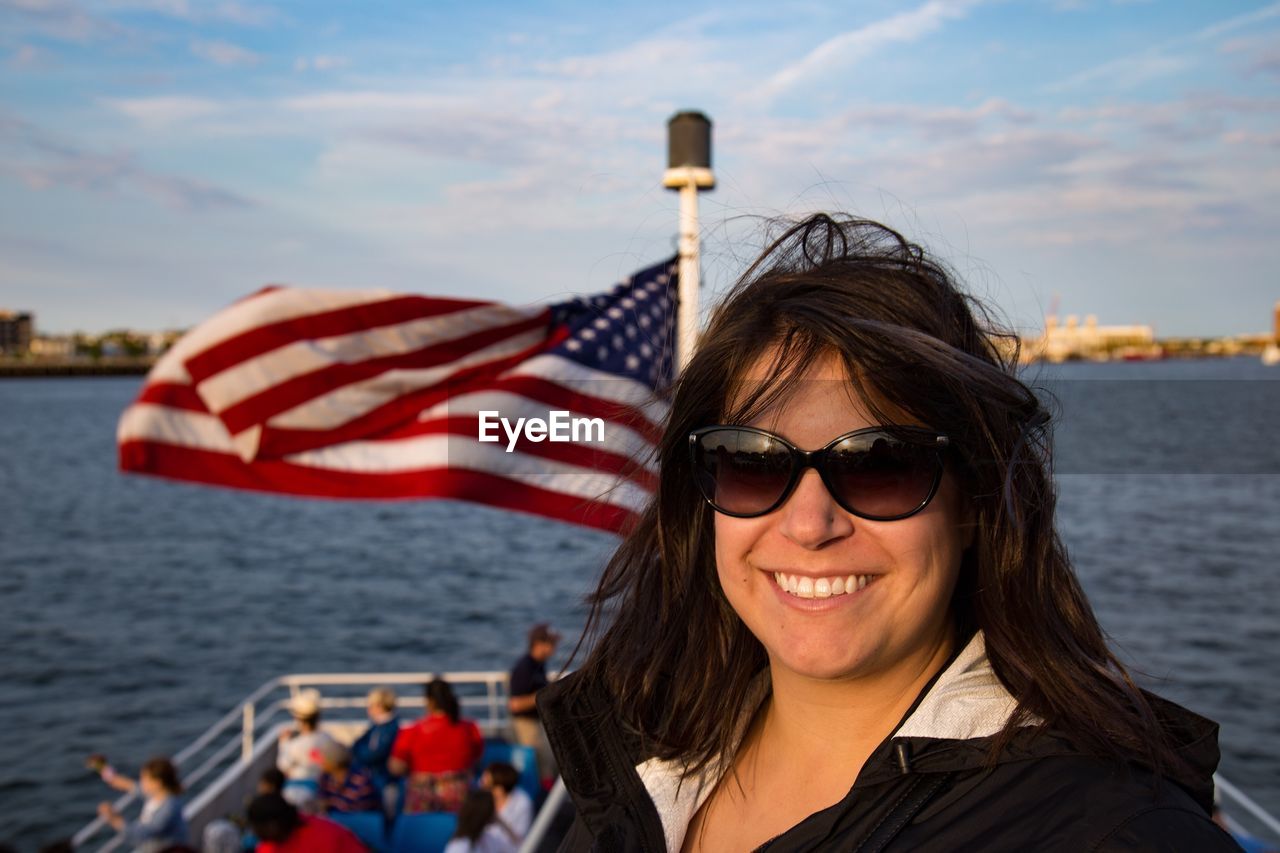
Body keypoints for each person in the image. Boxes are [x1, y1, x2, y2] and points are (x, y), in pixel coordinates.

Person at [538, 214, 1240, 851]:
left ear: (974, 504)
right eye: (751, 461)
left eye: (881, 464)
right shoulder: (642, 773)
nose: (810, 524)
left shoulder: (1115, 834)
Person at [389, 678, 484, 812]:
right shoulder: (470, 728)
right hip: (461, 799)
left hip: (423, 801)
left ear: (429, 702)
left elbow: (395, 767)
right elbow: (477, 758)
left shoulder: (413, 731)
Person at [91, 755, 190, 852]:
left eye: (144, 778)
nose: (141, 782)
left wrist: (114, 818)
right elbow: (127, 784)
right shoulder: (156, 795)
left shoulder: (169, 808)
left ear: (157, 783)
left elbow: (143, 834)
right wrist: (103, 768)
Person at [508, 622, 559, 781]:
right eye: (551, 643)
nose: (554, 647)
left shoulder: (539, 665)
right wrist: (544, 694)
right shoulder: (524, 667)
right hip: (527, 726)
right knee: (537, 766)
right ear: (538, 644)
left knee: (547, 762)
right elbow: (515, 704)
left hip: (537, 724)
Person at [276, 688, 339, 810]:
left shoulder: (294, 745)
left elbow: (282, 766)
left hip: (296, 790)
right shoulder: (328, 739)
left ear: (298, 719)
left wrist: (283, 743)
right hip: (322, 788)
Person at [246, 792, 367, 853]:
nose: (255, 832)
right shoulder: (268, 845)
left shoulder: (324, 837)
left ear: (272, 826)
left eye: (256, 827)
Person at [316, 738, 380, 814]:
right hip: (334, 820)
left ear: (334, 762)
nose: (320, 762)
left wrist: (329, 804)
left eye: (323, 758)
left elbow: (361, 810)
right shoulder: (325, 777)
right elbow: (321, 801)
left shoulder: (360, 780)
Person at [443, 789, 518, 853]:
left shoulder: (487, 838)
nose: (496, 812)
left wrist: (501, 823)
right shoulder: (460, 846)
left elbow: (515, 848)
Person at [480, 761, 534, 843]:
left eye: (486, 785)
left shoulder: (523, 804)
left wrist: (499, 822)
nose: (480, 786)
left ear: (499, 790)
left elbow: (520, 841)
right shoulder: (478, 796)